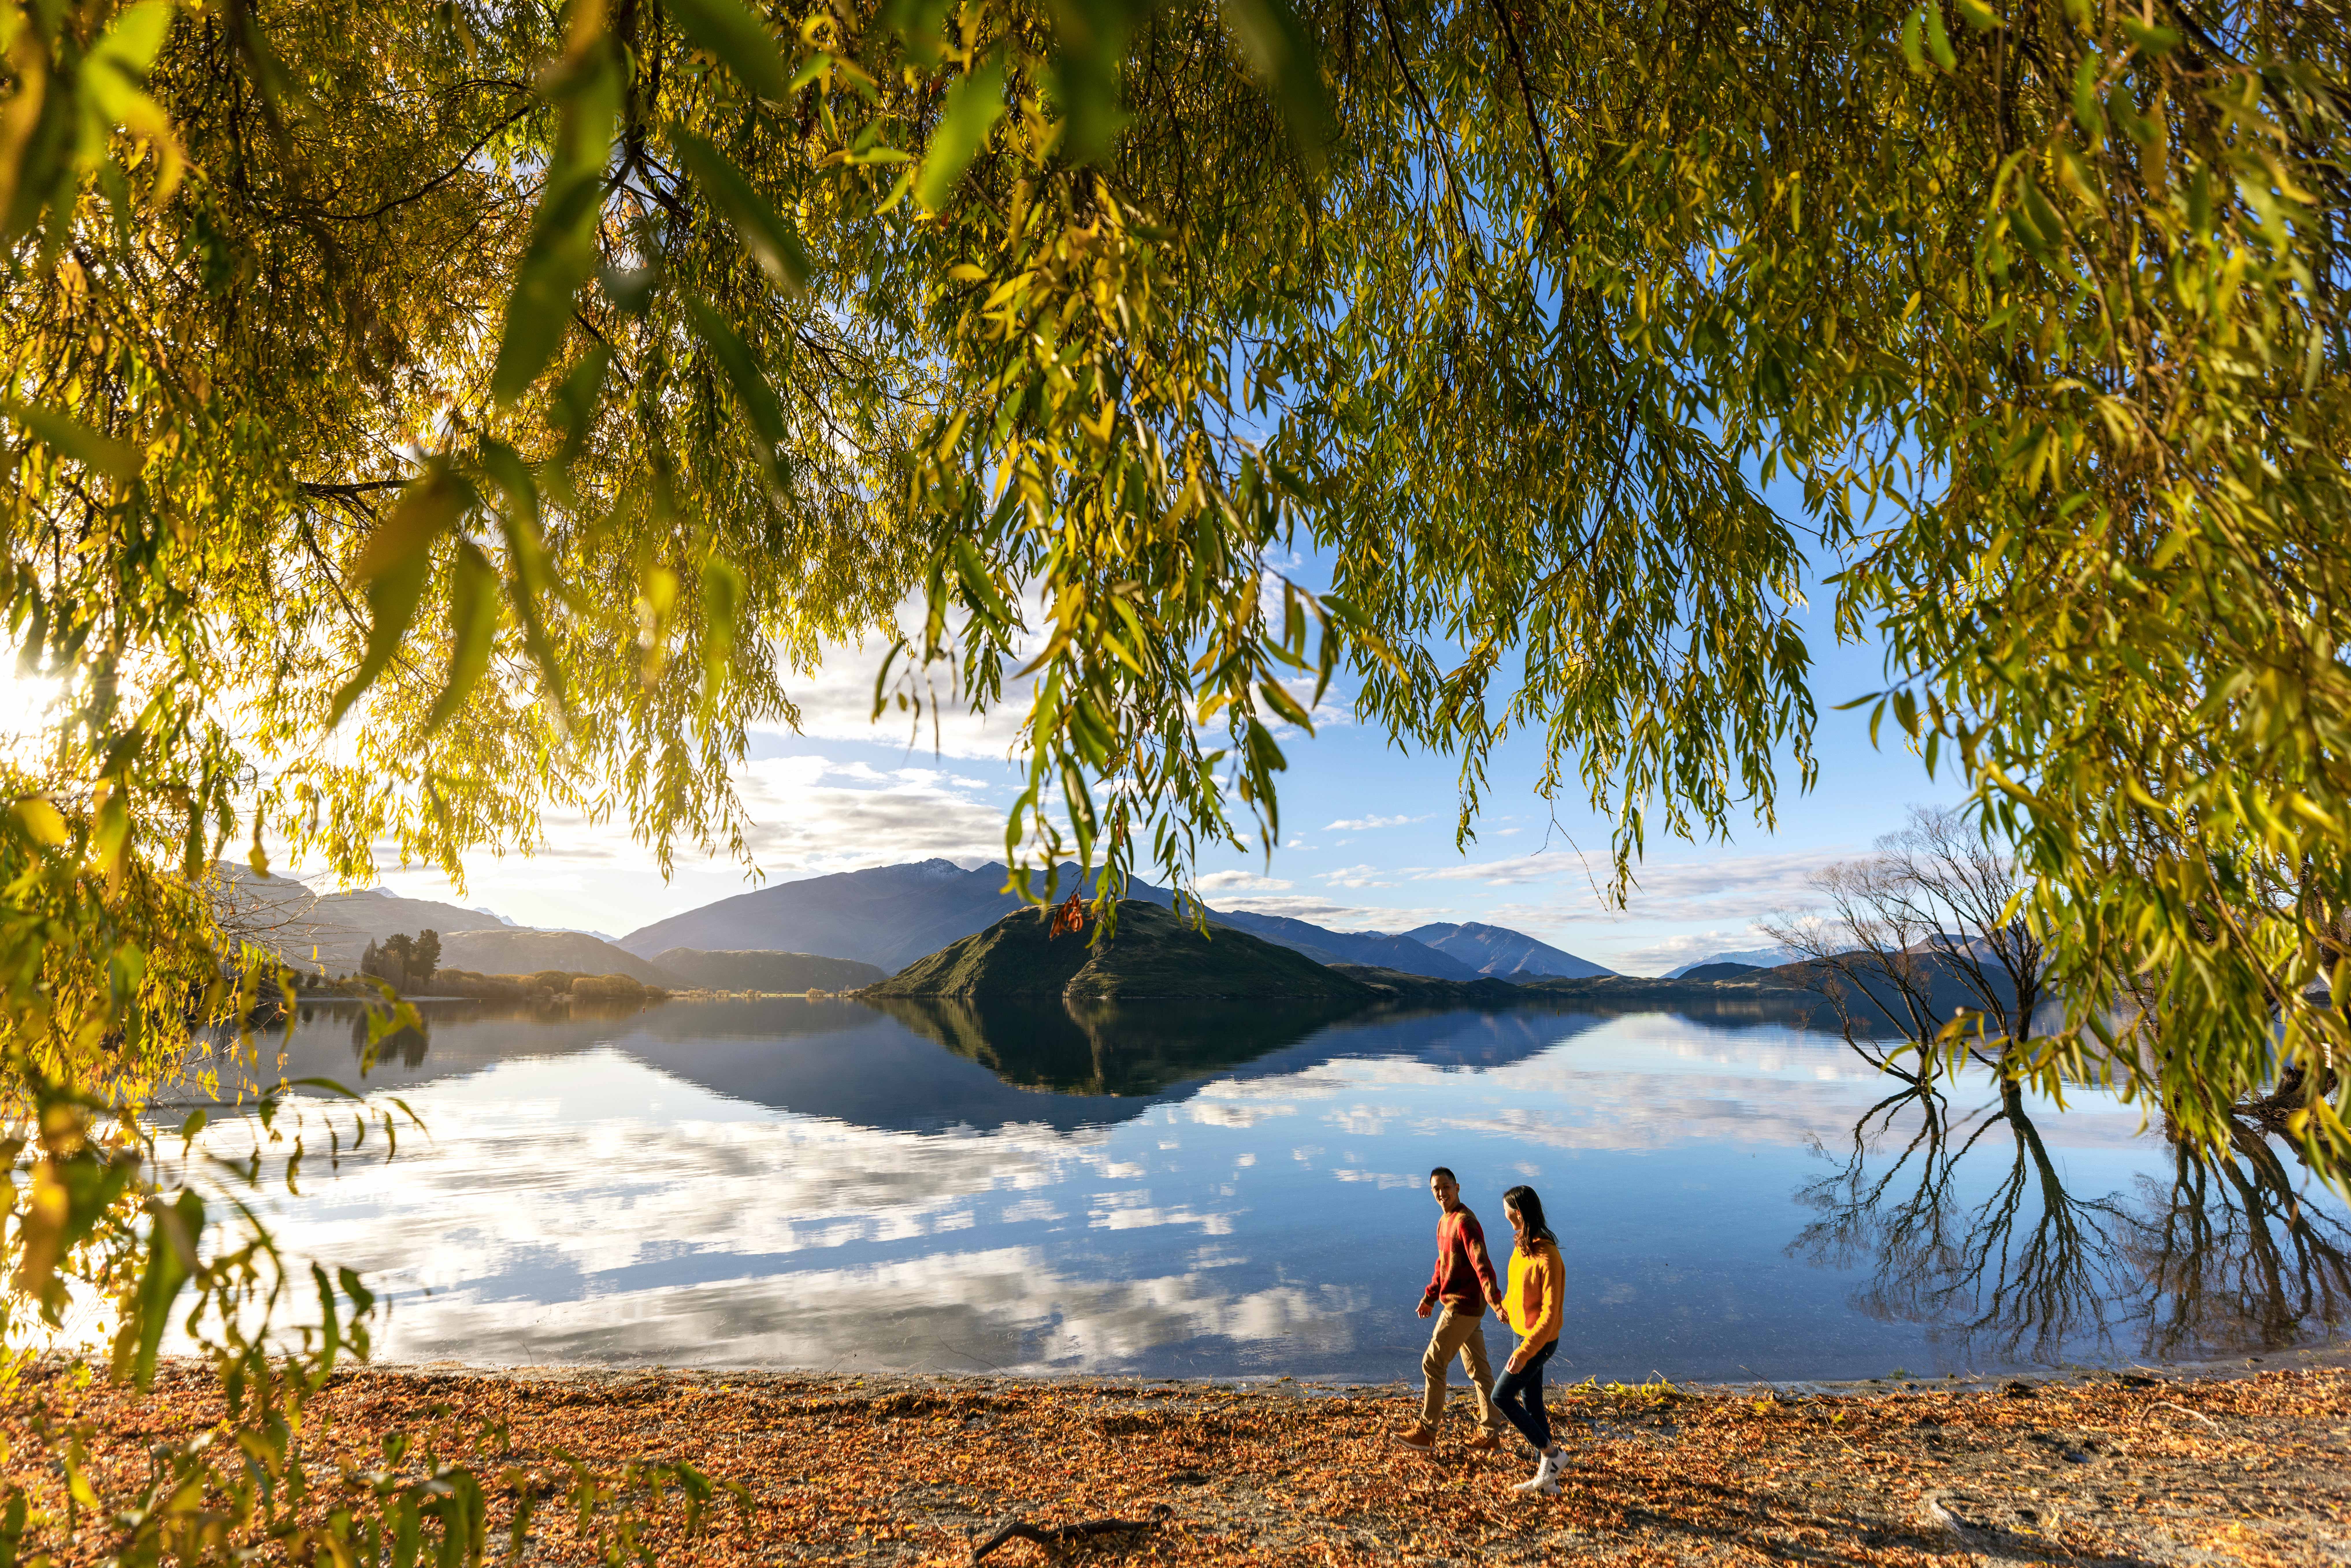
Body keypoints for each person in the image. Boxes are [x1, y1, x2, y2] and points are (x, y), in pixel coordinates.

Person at [1393, 1166, 1504, 1456]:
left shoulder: (1465, 1222)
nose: (1442, 1193)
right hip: (1462, 1305)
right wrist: (1430, 1297)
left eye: (1446, 1187)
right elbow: (1442, 1264)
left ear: (1458, 1187)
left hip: (1463, 1306)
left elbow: (1482, 1262)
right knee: (1480, 1371)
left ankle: (1427, 1432)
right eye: (1436, 1189)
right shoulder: (1445, 1222)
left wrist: (1495, 1301)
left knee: (1433, 1364)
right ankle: (1491, 1433)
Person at [1486, 1183, 1567, 1495]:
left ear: (1518, 1213)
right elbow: (1520, 1288)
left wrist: (1523, 1353)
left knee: (1501, 1397)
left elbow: (1549, 1317)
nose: (1504, 1216)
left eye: (1507, 1212)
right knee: (1531, 1402)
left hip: (1538, 1341)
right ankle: (1548, 1480)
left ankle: (1552, 1455)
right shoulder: (1523, 1245)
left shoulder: (1547, 1255)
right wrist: (1505, 1306)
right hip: (1522, 1333)